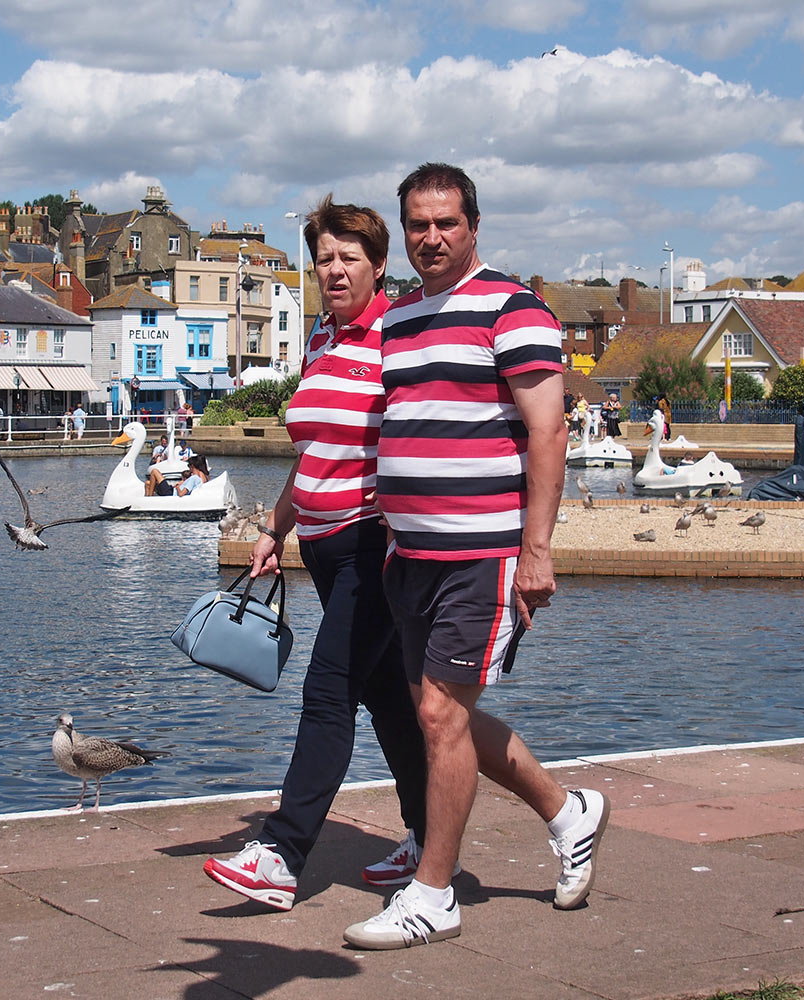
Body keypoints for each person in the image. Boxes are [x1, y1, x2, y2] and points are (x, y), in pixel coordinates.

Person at [343, 163, 608, 951]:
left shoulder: (513, 308)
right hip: (410, 556)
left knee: (439, 716)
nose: (431, 237)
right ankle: (569, 813)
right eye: (418, 225)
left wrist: (536, 553)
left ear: (474, 225)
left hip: (483, 554)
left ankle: (434, 895)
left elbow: (547, 431)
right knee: (442, 716)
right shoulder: (398, 318)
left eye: (446, 223)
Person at [204, 196, 430, 913]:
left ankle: (281, 853)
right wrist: (275, 529)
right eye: (324, 259)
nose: (333, 270)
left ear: (379, 264)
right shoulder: (320, 340)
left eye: (348, 258)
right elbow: (312, 456)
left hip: (375, 547)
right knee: (385, 695)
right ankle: (430, 839)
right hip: (322, 546)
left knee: (328, 691)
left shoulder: (397, 335)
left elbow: (423, 434)